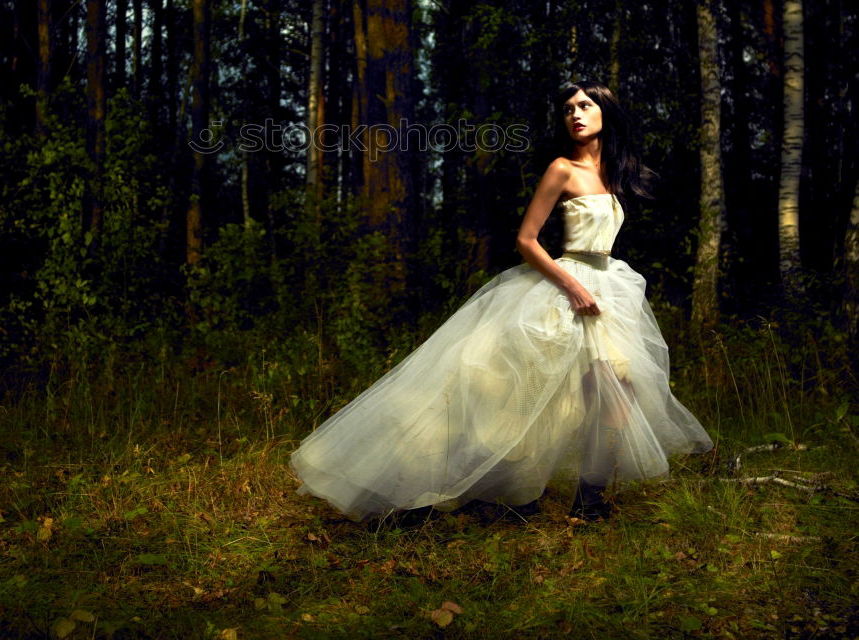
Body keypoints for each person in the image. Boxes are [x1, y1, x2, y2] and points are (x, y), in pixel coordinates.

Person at [289, 82, 713, 521]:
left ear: (606, 111)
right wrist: (573, 286)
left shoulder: (615, 173)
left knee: (614, 397)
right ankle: (496, 488)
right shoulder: (561, 169)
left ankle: (589, 499)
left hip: (609, 287)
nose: (576, 114)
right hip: (568, 287)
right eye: (568, 108)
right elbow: (526, 241)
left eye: (585, 105)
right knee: (528, 398)